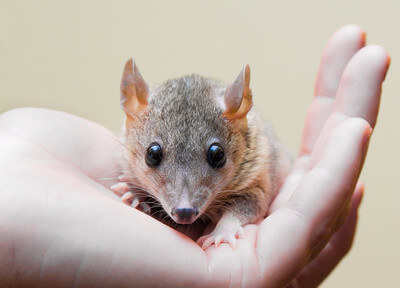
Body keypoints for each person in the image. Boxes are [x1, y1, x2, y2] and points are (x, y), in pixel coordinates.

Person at [0, 25, 390, 288]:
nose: (184, 204)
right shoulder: (134, 134)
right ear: (131, 106)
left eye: (214, 156)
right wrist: (139, 196)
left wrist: (227, 227)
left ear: (238, 115)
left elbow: (253, 196)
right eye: (156, 156)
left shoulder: (248, 141)